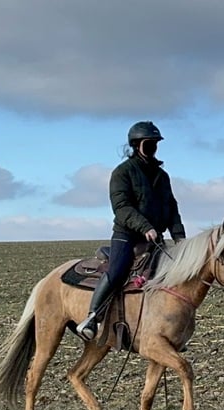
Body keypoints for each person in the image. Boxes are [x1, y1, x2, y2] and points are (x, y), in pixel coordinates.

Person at [76, 120, 186, 340]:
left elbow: (172, 207)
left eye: (155, 144)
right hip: (127, 236)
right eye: (149, 144)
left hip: (156, 239)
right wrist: (145, 226)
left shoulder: (162, 177)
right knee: (117, 271)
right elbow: (122, 207)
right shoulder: (122, 172)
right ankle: (92, 317)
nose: (153, 148)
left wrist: (180, 238)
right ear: (137, 145)